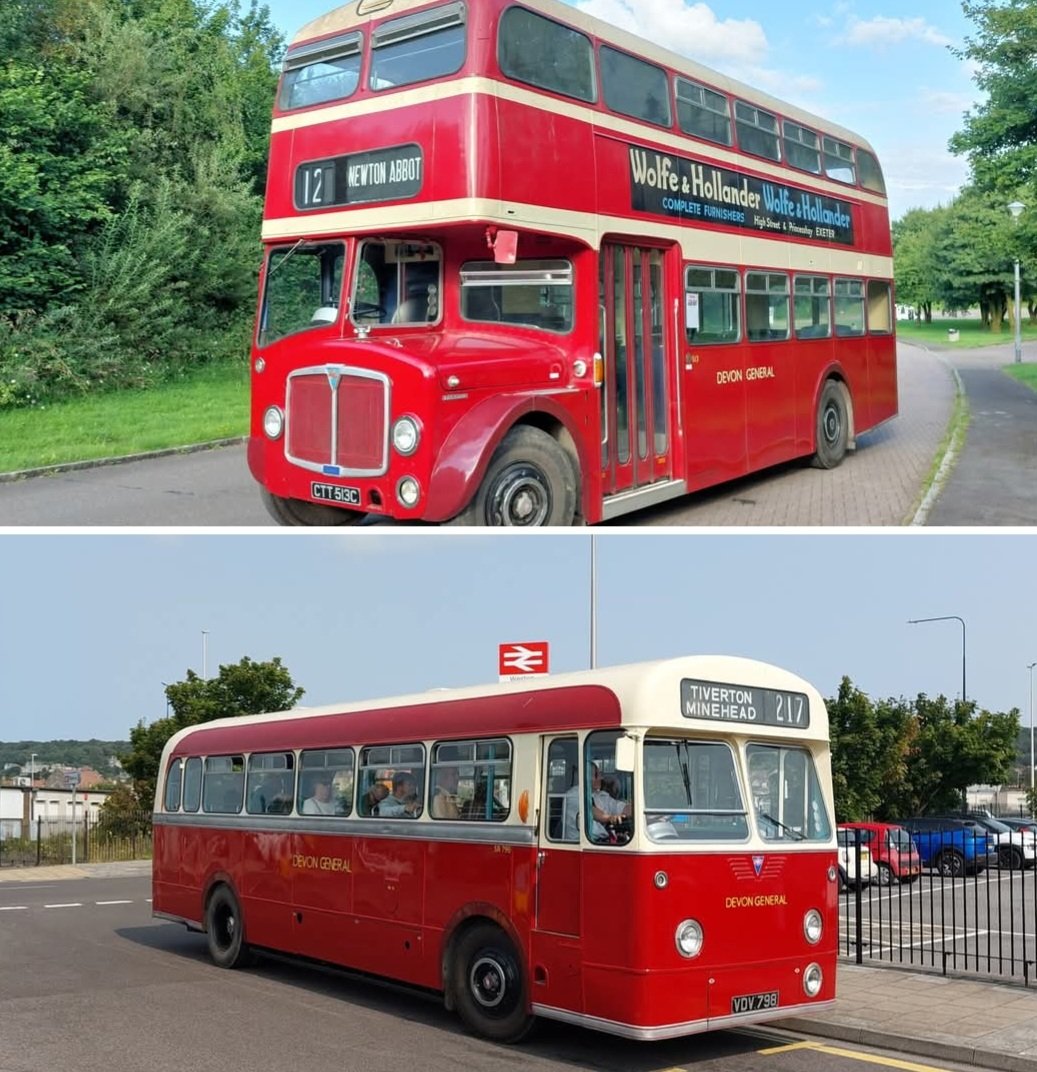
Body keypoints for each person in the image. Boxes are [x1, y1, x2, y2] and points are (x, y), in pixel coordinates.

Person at [563, 762, 631, 842]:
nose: (601, 778)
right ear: (586, 776)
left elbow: (618, 807)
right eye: (597, 775)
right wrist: (610, 818)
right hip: (579, 845)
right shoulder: (573, 794)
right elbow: (591, 811)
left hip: (599, 843)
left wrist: (636, 809)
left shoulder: (600, 796)